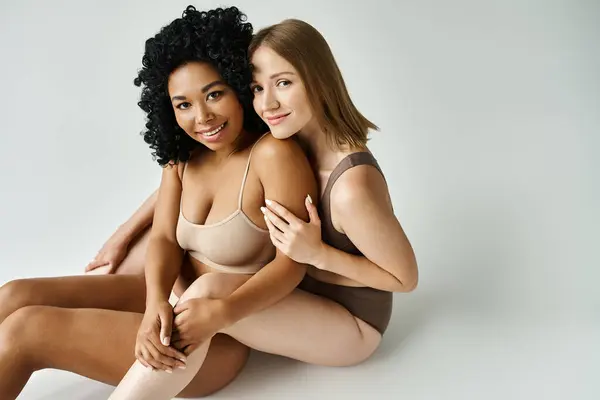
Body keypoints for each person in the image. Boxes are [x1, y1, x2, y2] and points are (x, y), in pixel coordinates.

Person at [0, 6, 317, 399]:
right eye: (183, 105)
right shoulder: (182, 158)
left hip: (213, 339)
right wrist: (153, 306)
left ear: (238, 85)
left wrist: (225, 311)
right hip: (165, 301)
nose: (202, 117)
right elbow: (165, 238)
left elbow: (293, 264)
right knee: (12, 295)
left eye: (214, 94)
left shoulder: (273, 156)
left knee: (25, 330)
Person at [107, 17, 418, 400]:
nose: (267, 103)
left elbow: (405, 279)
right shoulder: (285, 134)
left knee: (207, 291)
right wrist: (125, 232)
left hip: (348, 323)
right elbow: (178, 185)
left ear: (319, 81)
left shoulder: (350, 185)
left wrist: (317, 254)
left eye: (284, 83)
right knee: (153, 258)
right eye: (257, 87)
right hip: (295, 294)